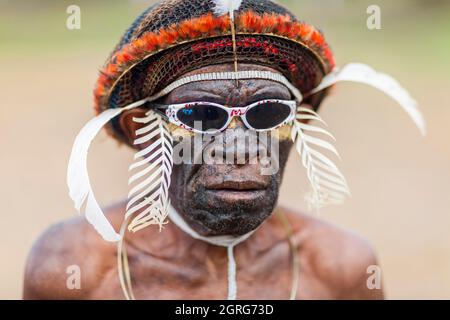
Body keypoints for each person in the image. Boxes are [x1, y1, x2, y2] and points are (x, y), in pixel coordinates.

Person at [24, 0, 423, 300]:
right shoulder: (74, 269)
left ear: (297, 123)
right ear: (142, 129)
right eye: (201, 115)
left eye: (267, 113)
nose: (238, 149)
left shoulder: (342, 268)